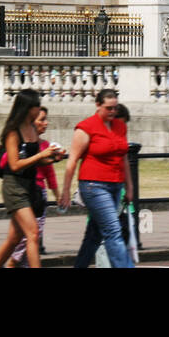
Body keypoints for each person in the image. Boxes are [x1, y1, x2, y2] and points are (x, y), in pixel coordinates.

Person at [60, 89, 133, 267]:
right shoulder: (86, 128)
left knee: (95, 233)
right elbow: (72, 161)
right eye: (109, 108)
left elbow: (124, 158)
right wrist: (66, 191)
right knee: (113, 229)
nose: (113, 112)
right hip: (94, 185)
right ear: (98, 105)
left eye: (115, 108)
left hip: (115, 184)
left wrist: (129, 186)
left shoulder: (120, 127)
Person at [0, 89, 61, 268]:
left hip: (29, 186)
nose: (39, 110)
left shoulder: (31, 128)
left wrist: (53, 157)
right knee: (33, 233)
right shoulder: (13, 132)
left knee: (14, 239)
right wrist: (41, 156)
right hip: (14, 187)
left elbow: (38, 159)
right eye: (36, 106)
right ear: (28, 108)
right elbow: (14, 164)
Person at [8, 106, 60, 266]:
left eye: (46, 119)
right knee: (28, 235)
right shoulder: (22, 141)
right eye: (42, 119)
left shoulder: (44, 144)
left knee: (28, 236)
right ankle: (12, 262)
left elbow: (49, 173)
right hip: (24, 192)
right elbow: (14, 164)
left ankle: (19, 263)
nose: (46, 123)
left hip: (38, 192)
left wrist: (57, 194)